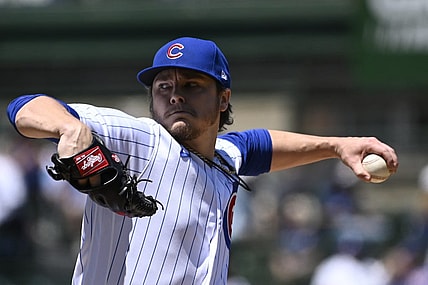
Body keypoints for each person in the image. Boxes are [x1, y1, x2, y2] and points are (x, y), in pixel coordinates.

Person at [6, 36, 398, 285]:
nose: (175, 95)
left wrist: (336, 145)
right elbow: (24, 107)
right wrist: (69, 129)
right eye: (164, 87)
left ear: (223, 99)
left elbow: (258, 146)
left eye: (192, 86)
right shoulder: (141, 138)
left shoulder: (223, 159)